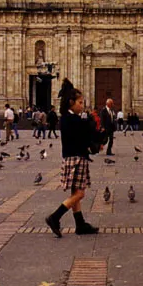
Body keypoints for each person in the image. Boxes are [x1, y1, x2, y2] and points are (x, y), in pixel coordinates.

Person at [45, 86, 99, 238]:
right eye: (80, 103)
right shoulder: (72, 119)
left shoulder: (67, 118)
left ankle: (80, 224)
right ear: (71, 102)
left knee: (75, 191)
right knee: (80, 193)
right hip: (76, 158)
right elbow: (85, 136)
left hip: (71, 157)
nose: (82, 106)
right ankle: (55, 217)